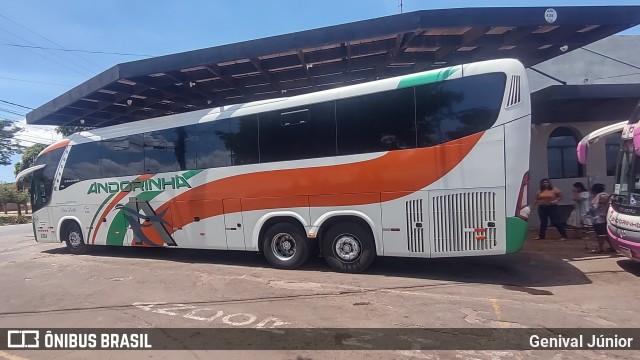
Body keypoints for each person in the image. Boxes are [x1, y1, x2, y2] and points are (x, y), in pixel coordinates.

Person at [587, 183, 613, 253]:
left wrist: (604, 212)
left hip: (600, 218)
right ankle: (612, 247)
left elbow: (609, 204)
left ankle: (600, 248)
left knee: (601, 234)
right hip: (597, 217)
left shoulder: (602, 196)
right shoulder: (598, 196)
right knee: (604, 234)